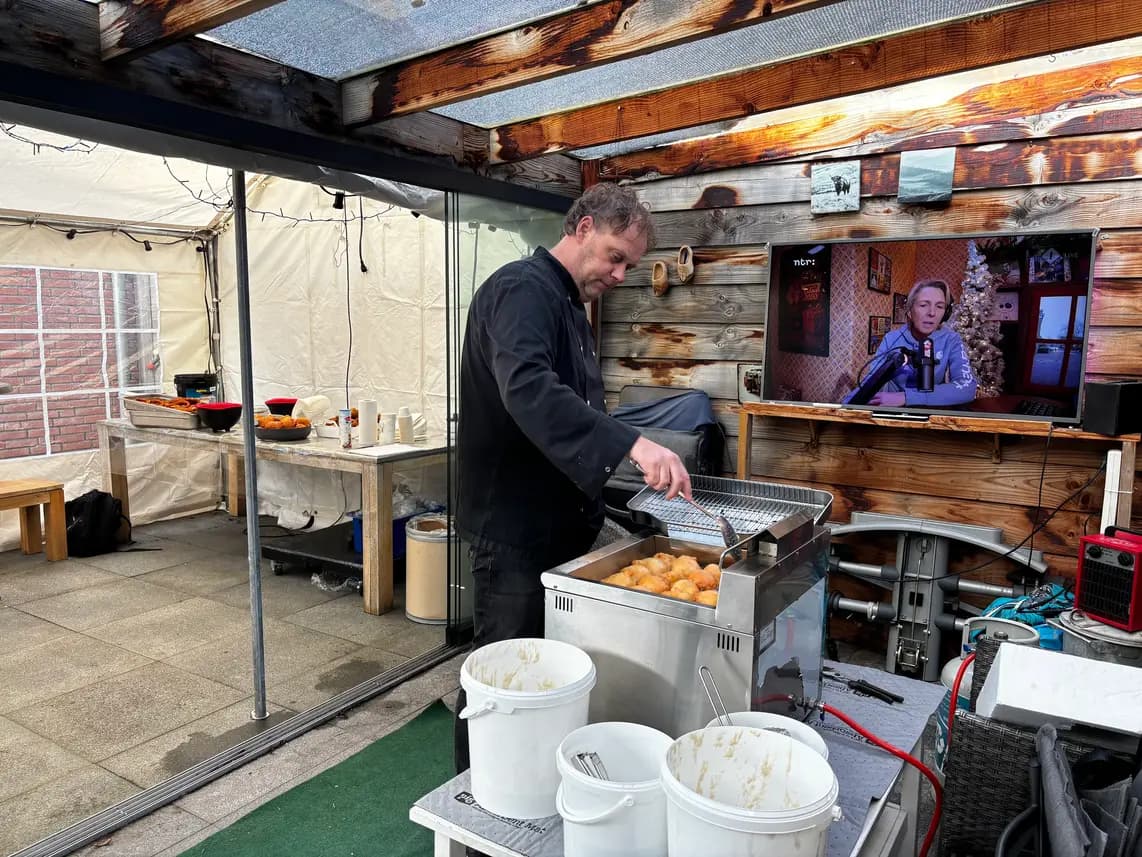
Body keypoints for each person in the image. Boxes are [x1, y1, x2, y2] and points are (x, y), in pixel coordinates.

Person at [454, 183, 692, 777]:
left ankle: (532, 780)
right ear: (582, 227)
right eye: (615, 256)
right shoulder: (519, 290)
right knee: (501, 674)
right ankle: (475, 797)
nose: (619, 274)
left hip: (558, 523)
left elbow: (576, 408)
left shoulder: (569, 305)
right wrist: (632, 443)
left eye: (629, 267)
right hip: (513, 527)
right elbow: (530, 390)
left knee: (547, 670)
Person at [844, 278, 977, 408]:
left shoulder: (951, 339)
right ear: (909, 311)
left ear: (945, 313)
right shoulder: (891, 339)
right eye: (924, 305)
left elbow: (967, 388)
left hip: (929, 412)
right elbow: (871, 380)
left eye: (939, 306)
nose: (932, 313)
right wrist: (844, 407)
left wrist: (906, 397)